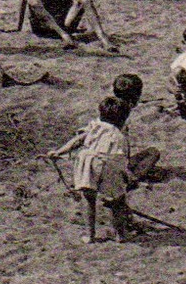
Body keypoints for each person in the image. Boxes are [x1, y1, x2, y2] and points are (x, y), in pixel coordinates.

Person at [48, 96, 135, 244]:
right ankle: (120, 235)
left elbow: (78, 140)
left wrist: (59, 152)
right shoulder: (120, 135)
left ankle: (90, 235)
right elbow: (123, 157)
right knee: (117, 201)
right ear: (123, 120)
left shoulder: (95, 126)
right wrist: (127, 175)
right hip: (109, 163)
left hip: (87, 161)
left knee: (88, 199)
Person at [111, 74, 160, 183]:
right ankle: (133, 179)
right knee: (153, 153)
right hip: (114, 169)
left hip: (99, 164)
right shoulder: (121, 122)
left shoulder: (109, 109)